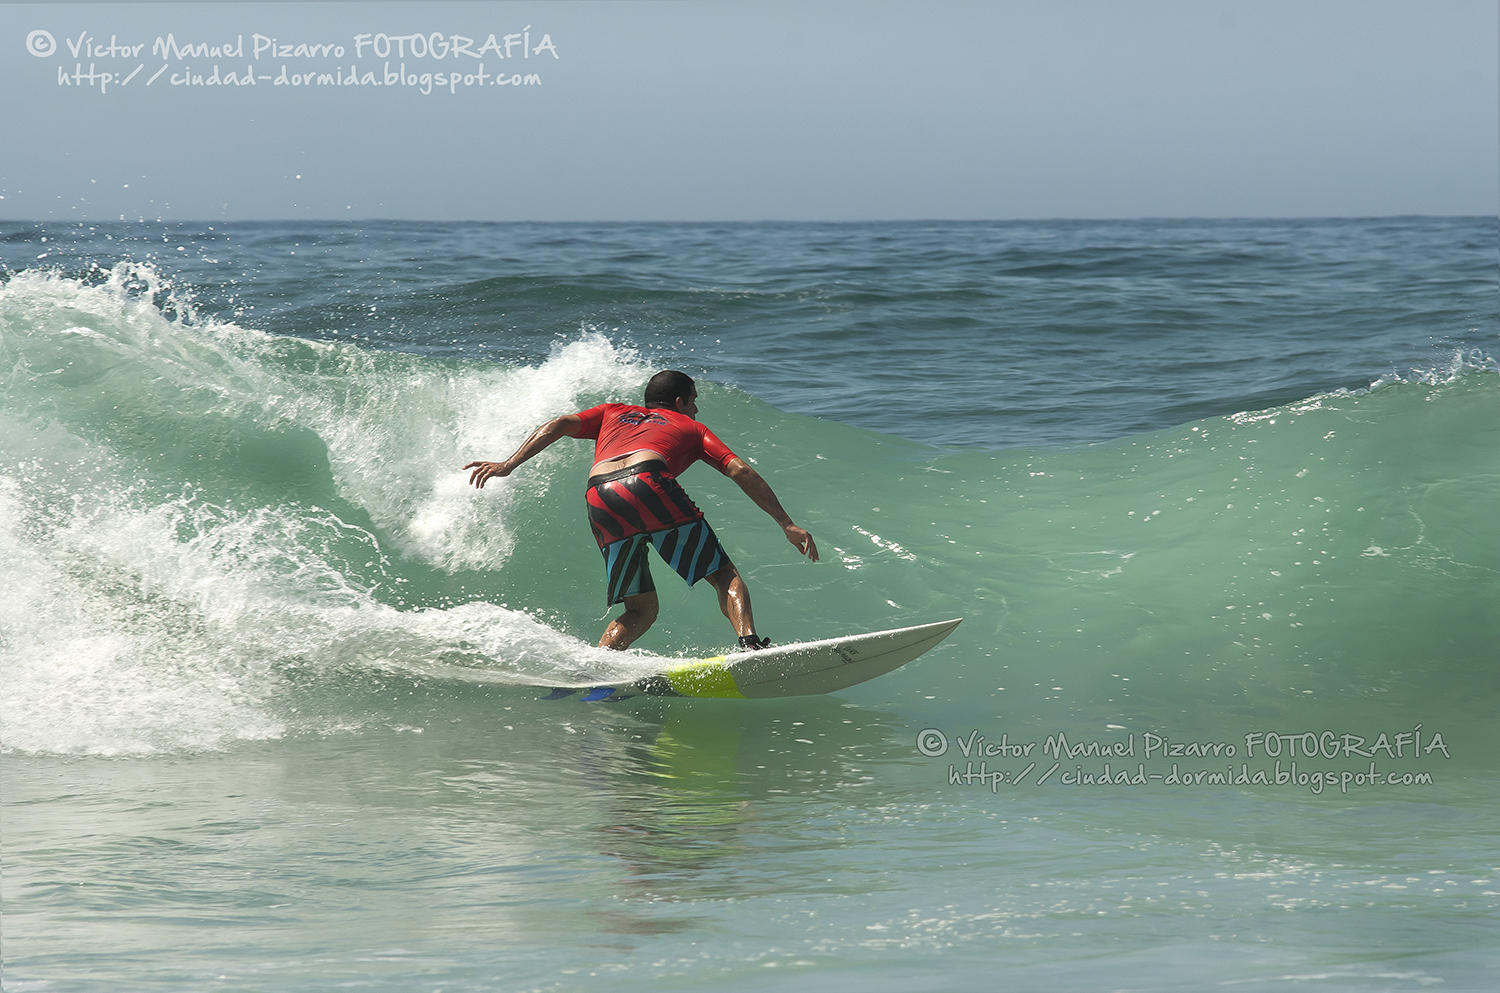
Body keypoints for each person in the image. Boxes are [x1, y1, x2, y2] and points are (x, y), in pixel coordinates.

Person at [462, 370, 818, 651]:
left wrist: (508, 464)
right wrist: (786, 523)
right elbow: (739, 469)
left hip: (599, 494)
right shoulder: (692, 427)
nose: (696, 410)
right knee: (723, 574)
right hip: (648, 481)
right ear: (679, 402)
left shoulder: (612, 412)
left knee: (640, 609)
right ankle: (750, 645)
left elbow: (559, 424)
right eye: (694, 401)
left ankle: (597, 667)